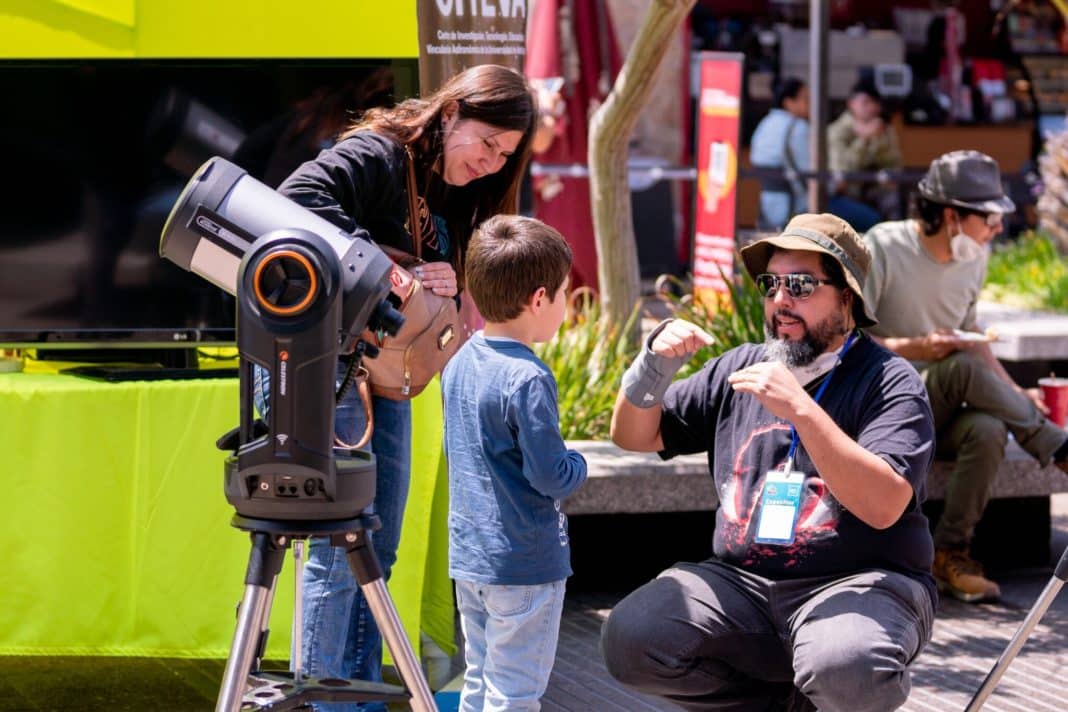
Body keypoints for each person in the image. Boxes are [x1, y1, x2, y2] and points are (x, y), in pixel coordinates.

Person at [268, 64, 536, 711]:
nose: (491, 163)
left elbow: (433, 279)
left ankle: (354, 699)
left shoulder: (459, 195)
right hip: (319, 368)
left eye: (504, 156)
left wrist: (447, 281)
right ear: (450, 114)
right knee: (341, 547)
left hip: (380, 378)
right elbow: (296, 198)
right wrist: (398, 267)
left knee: (373, 544)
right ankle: (329, 704)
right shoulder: (381, 153)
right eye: (486, 143)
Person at [602, 213, 937, 711]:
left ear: (846, 297)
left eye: (801, 285)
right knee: (631, 639)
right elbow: (633, 435)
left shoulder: (890, 381)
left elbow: (886, 505)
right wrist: (653, 366)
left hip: (860, 581)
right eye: (771, 283)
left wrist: (802, 409)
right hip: (742, 583)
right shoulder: (742, 366)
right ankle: (776, 703)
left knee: (848, 666)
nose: (781, 299)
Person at [863, 150, 1068, 603]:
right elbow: (847, 344)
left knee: (989, 429)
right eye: (990, 218)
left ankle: (951, 551)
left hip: (937, 407)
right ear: (952, 216)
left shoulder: (972, 256)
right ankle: (1057, 447)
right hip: (880, 411)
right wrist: (916, 348)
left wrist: (1015, 392)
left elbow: (973, 337)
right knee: (958, 366)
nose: (997, 229)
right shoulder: (883, 246)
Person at [442, 214, 588, 711]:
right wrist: (578, 464)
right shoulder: (527, 378)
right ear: (540, 299)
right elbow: (550, 475)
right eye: (565, 293)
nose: (567, 305)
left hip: (470, 559)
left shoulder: (460, 360)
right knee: (516, 692)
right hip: (524, 561)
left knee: (480, 680)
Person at [827, 79, 903, 232]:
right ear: (851, 104)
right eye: (866, 102)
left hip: (876, 192)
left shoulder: (884, 130)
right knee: (873, 219)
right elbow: (843, 173)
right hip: (845, 196)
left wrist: (879, 141)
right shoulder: (837, 131)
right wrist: (864, 139)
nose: (872, 108)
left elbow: (895, 164)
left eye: (876, 103)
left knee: (894, 203)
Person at [749, 76, 810, 230]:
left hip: (767, 207)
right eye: (806, 99)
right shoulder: (798, 127)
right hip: (798, 207)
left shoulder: (765, 123)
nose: (810, 105)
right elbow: (810, 170)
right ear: (789, 102)